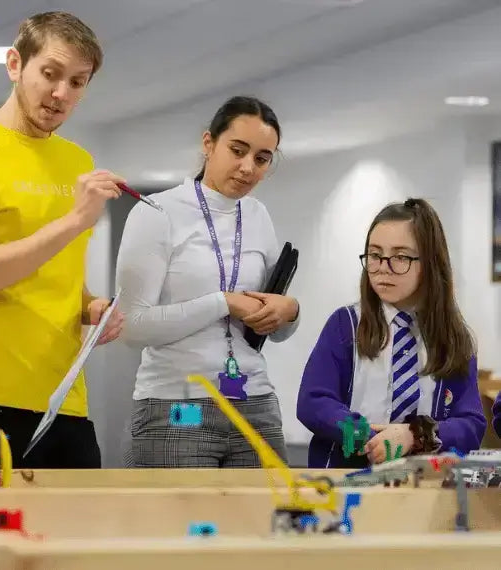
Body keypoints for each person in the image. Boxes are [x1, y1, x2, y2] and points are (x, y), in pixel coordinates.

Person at [0, 11, 125, 469]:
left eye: (77, 82)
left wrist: (90, 307)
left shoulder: (76, 160)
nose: (61, 94)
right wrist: (75, 220)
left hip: (65, 405)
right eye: (50, 74)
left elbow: (54, 273)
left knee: (76, 542)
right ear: (15, 64)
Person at [115, 96, 300, 468]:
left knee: (269, 524)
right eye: (237, 150)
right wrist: (222, 302)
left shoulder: (258, 215)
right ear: (208, 143)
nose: (248, 167)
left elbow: (269, 327)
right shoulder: (157, 213)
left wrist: (290, 312)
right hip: (176, 406)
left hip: (255, 404)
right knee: (180, 526)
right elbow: (131, 327)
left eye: (262, 159)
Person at [297, 198, 486, 468]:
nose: (383, 268)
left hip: (423, 485)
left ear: (430, 263)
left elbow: (471, 424)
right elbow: (313, 402)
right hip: (345, 483)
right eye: (375, 255)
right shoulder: (346, 324)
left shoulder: (454, 338)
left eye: (400, 257)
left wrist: (414, 436)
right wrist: (365, 436)